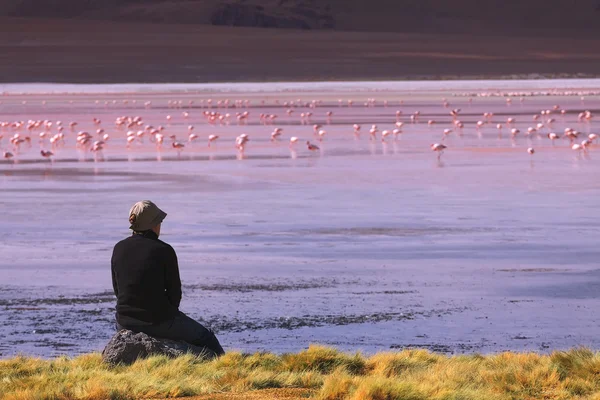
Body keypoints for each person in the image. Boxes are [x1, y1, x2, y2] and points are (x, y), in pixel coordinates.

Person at [111, 200, 224, 356]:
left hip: (123, 322)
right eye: (159, 222)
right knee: (207, 337)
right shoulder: (164, 250)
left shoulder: (119, 248)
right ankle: (226, 369)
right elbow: (174, 293)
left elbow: (117, 289)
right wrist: (168, 318)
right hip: (158, 320)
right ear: (153, 224)